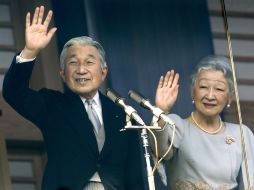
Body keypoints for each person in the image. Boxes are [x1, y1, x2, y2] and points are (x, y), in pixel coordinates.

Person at [3, 6, 144, 190]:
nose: (81, 69)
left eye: (89, 62)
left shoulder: (123, 114)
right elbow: (14, 92)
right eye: (73, 62)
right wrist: (30, 51)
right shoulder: (53, 106)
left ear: (103, 72)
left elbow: (134, 177)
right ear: (63, 73)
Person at [151, 55, 254, 189]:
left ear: (230, 97)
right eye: (204, 87)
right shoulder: (176, 125)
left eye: (219, 89)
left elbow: (250, 184)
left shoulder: (241, 133)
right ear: (192, 91)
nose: (210, 96)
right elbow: (160, 149)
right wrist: (161, 111)